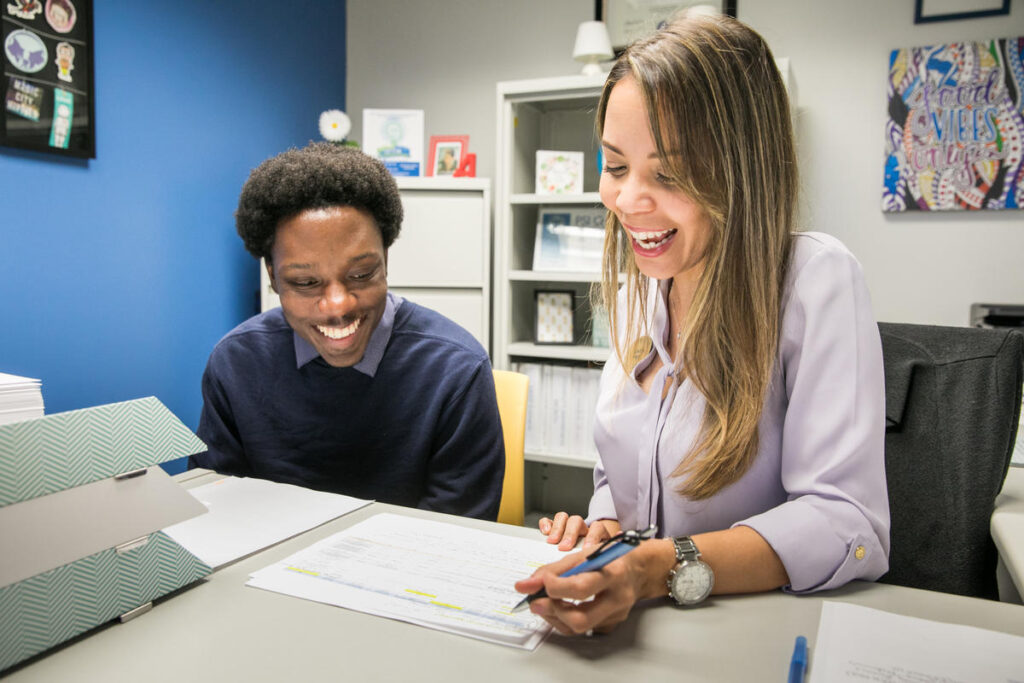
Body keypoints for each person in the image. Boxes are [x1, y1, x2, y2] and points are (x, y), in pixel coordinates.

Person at [514, 12, 889, 635]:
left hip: (754, 636)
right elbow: (619, 473)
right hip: (643, 629)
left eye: (668, 175)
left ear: (744, 172)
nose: (629, 201)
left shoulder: (814, 281)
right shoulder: (642, 280)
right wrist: (607, 528)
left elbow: (847, 525)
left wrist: (653, 568)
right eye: (614, 167)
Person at [189, 142, 505, 520]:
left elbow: (458, 533)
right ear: (273, 277)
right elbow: (215, 506)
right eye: (306, 282)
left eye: (360, 275)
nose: (338, 306)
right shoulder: (235, 363)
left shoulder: (455, 370)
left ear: (385, 258)